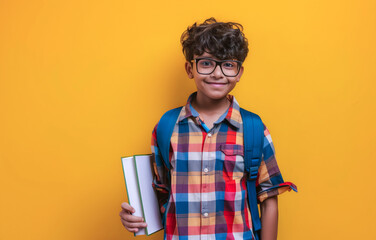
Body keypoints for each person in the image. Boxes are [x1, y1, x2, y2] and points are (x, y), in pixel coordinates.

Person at [119, 17, 297, 240]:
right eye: (206, 63)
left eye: (228, 65)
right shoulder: (166, 128)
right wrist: (135, 215)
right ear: (189, 68)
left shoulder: (253, 128)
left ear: (239, 72)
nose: (217, 73)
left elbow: (269, 198)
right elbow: (162, 195)